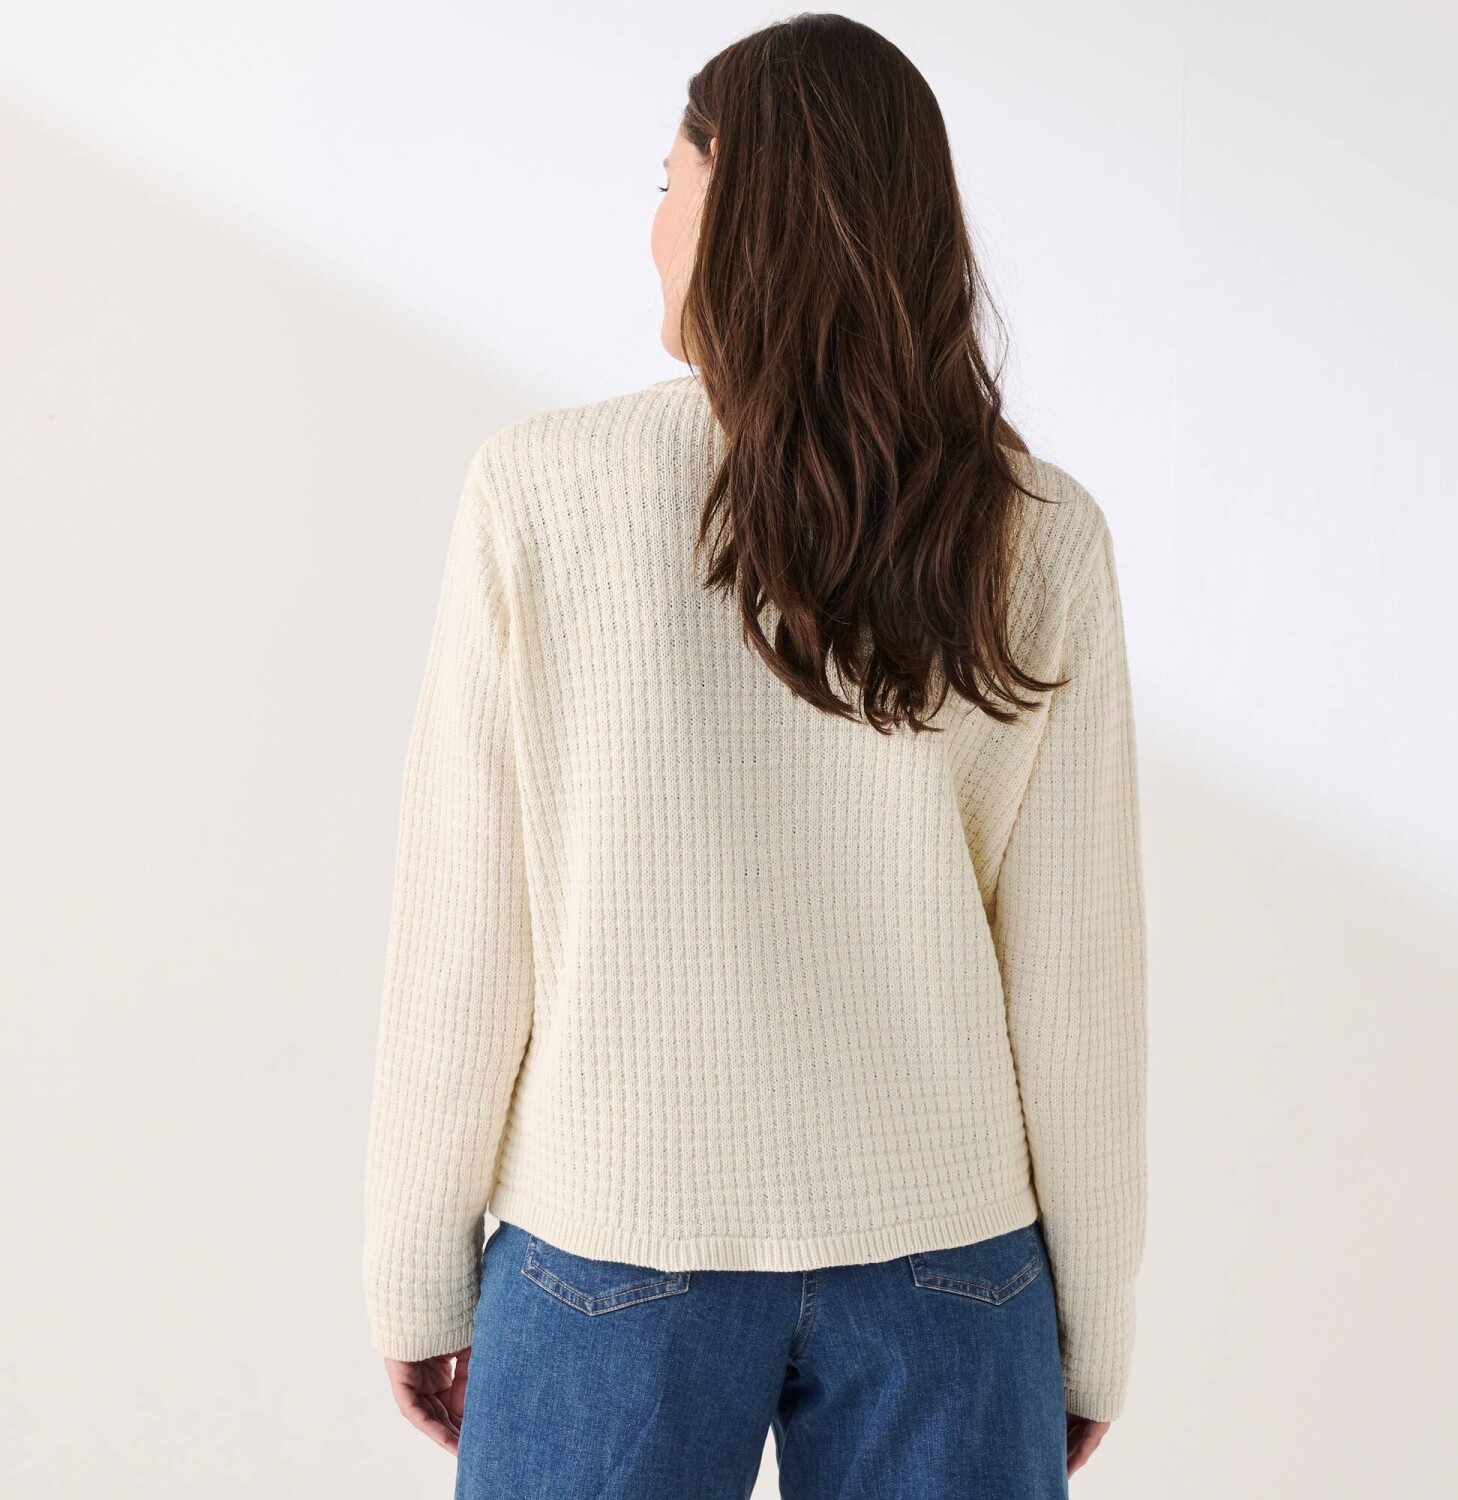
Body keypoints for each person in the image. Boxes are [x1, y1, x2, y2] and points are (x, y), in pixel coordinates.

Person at [361, 14, 1148, 1498]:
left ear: (737, 206)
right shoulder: (1037, 532)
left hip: (610, 1242)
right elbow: (1076, 973)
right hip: (949, 1263)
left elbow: (468, 925)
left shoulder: (542, 494)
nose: (654, 225)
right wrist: (1091, 1329)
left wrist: (414, 1267)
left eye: (668, 180)